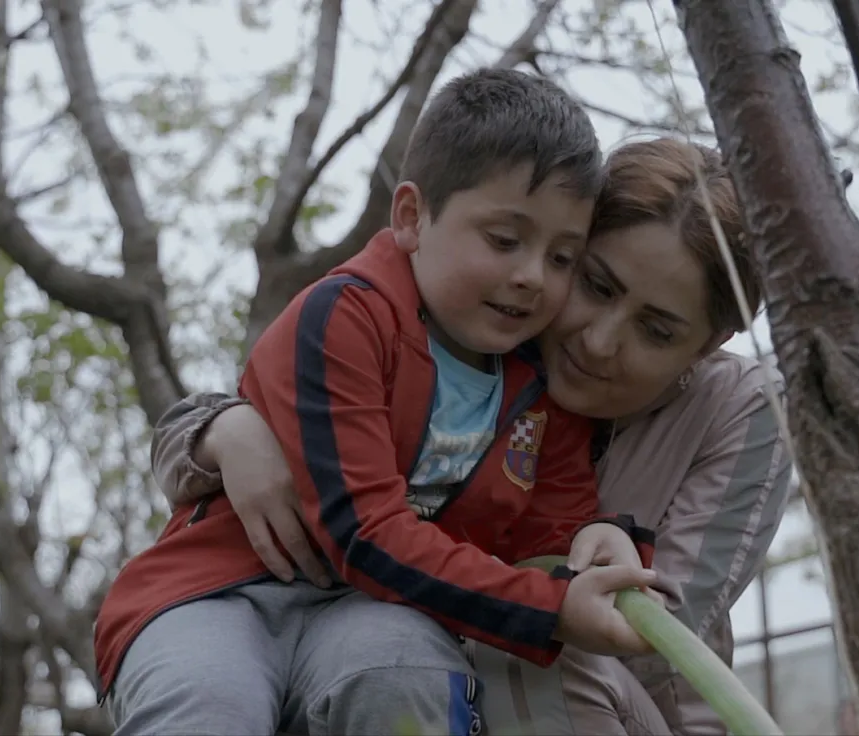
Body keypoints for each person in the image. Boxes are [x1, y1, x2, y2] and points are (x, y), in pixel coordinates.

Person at [153, 138, 794, 735]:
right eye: (595, 285)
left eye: (655, 330)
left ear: (709, 344)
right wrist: (219, 428)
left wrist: (556, 591)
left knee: (523, 654)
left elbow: (649, 634)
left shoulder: (740, 407)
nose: (599, 342)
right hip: (387, 659)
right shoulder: (489, 331)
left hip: (594, 703)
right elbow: (325, 411)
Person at [93, 67, 664, 736]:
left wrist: (598, 543)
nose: (531, 276)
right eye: (504, 240)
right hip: (219, 593)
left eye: (562, 258)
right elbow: (363, 532)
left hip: (378, 614)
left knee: (406, 679)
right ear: (412, 217)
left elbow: (549, 536)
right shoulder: (344, 317)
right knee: (209, 705)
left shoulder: (543, 388)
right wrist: (551, 608)